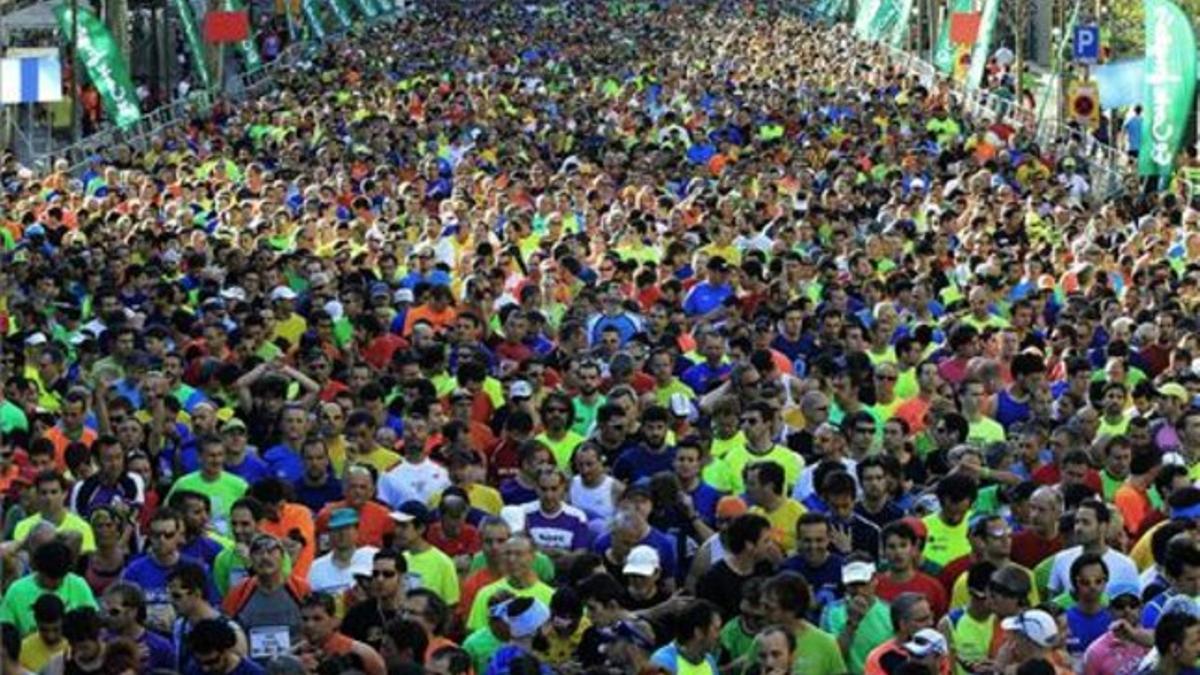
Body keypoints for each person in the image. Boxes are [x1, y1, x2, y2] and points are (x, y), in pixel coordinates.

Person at [120, 507, 215, 634]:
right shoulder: (134, 570)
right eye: (156, 535)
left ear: (179, 536)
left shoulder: (197, 568)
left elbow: (212, 606)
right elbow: (124, 611)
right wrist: (145, 619)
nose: (162, 540)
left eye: (168, 535)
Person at [222, 534, 311, 662]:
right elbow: (226, 632)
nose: (265, 557)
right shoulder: (238, 593)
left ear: (282, 556)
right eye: (258, 553)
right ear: (251, 559)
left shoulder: (300, 589)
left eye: (271, 551)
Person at [0, 539, 98, 636]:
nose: (55, 582)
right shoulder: (17, 591)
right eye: (50, 577)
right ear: (38, 570)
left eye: (60, 577)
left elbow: (93, 621)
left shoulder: (78, 584)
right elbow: (5, 629)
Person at [759, 571, 846, 675]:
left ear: (791, 610)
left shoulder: (826, 644)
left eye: (769, 608)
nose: (762, 612)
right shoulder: (762, 640)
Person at [169, 562, 249, 674]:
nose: (171, 601)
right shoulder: (179, 626)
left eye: (177, 596)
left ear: (197, 593)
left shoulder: (231, 630)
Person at [819, 559, 894, 674]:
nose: (858, 590)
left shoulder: (890, 612)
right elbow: (831, 660)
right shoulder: (831, 612)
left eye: (863, 583)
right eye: (853, 585)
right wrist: (852, 623)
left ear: (875, 580)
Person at [695, 514, 775, 619]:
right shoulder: (713, 580)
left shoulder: (766, 568)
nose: (771, 545)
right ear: (749, 545)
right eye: (766, 541)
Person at [297, 593, 386, 675]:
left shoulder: (360, 653)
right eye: (305, 619)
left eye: (317, 619)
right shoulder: (295, 654)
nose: (309, 625)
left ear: (333, 621)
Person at [393, 500, 461, 609]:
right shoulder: (399, 559)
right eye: (397, 525)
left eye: (403, 526)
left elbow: (451, 605)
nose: (397, 531)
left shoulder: (443, 563)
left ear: (420, 528)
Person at [1081, 583, 1149, 675]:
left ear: (1141, 607)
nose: (1127, 610)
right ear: (1109, 609)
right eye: (1120, 605)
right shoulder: (1095, 652)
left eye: (1133, 604)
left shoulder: (1155, 640)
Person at [307, 507, 377, 596]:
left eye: (347, 528)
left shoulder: (372, 556)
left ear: (356, 530)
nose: (342, 534)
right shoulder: (315, 568)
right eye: (336, 529)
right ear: (330, 534)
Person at [649, 599, 722, 675]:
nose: (719, 635)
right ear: (698, 632)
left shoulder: (710, 661)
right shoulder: (663, 662)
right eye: (716, 629)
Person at [187, 617, 265, 675]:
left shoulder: (253, 672)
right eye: (199, 662)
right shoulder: (194, 669)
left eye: (212, 662)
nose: (205, 669)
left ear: (226, 650)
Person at [39, 607, 106, 675]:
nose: (79, 653)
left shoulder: (113, 660)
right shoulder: (56, 666)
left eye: (84, 648)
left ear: (98, 638)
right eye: (74, 646)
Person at [19, 595, 65, 673]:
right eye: (44, 630)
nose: (51, 636)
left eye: (56, 630)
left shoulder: (75, 646)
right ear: (36, 621)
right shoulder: (22, 650)